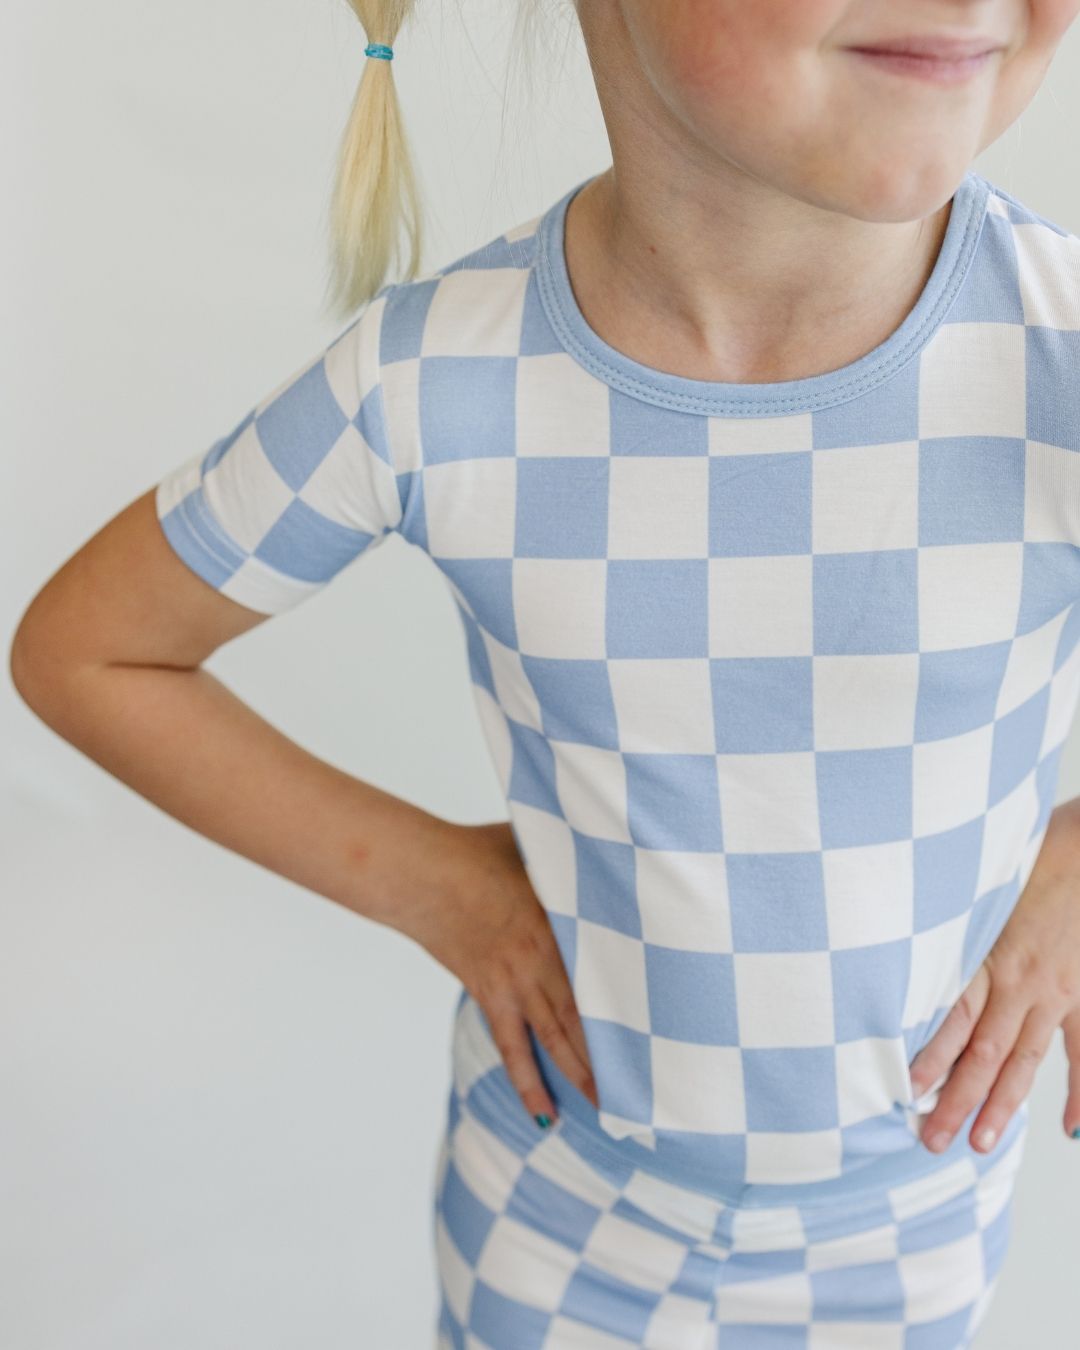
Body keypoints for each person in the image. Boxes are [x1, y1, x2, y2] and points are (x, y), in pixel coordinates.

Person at [11, 1, 1080, 1345]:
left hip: (915, 1235)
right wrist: (441, 887)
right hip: (556, 1222)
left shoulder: (1059, 355)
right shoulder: (436, 381)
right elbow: (88, 650)